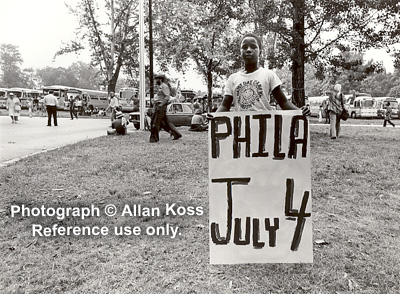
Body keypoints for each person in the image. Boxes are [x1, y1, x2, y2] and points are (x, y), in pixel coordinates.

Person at [217, 32, 310, 117]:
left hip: (264, 130)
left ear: (260, 51)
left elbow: (283, 102)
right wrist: (213, 117)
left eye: (253, 47)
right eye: (244, 47)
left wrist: (299, 111)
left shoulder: (268, 75)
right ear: (240, 52)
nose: (248, 50)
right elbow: (225, 105)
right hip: (242, 131)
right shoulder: (233, 79)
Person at [149, 74, 182, 142]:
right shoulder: (160, 87)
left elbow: (167, 96)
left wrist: (161, 104)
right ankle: (176, 134)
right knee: (165, 122)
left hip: (161, 107)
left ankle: (154, 138)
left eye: (157, 79)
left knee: (155, 122)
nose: (155, 81)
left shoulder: (164, 86)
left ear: (160, 80)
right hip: (158, 106)